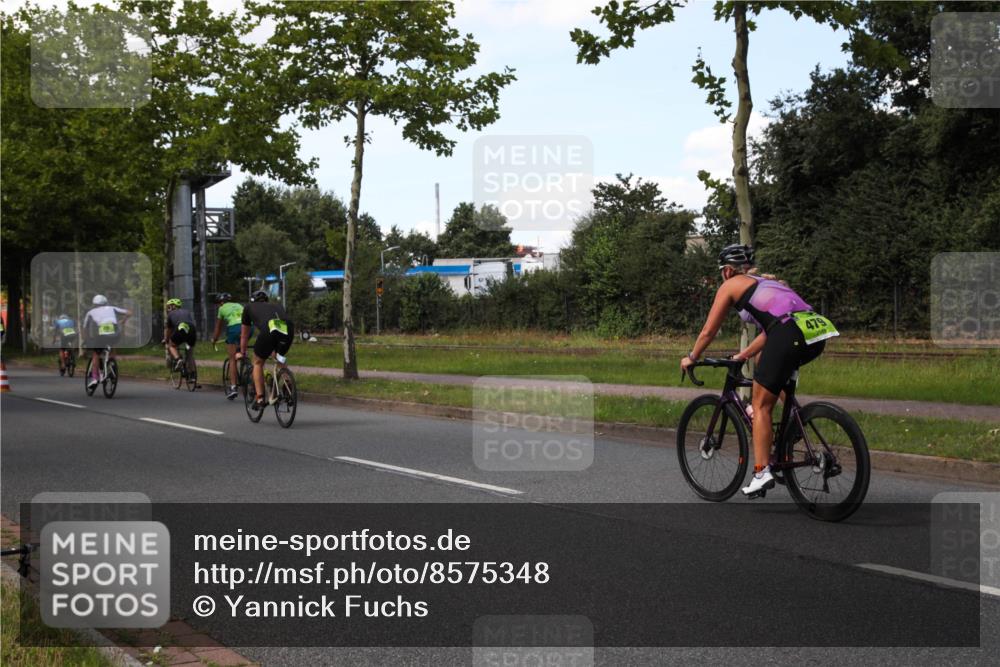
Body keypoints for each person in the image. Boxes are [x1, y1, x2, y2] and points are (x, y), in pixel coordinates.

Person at [680, 244, 839, 496]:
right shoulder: (766, 283)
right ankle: (793, 426)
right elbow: (773, 329)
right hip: (816, 332)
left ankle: (761, 472)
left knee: (761, 403)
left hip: (789, 335)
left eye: (723, 271)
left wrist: (692, 357)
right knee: (771, 372)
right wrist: (743, 355)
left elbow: (709, 331)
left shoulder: (731, 285)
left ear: (728, 271)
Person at [236, 290, 293, 410]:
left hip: (270, 327)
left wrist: (242, 351)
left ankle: (260, 398)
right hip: (288, 327)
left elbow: (244, 335)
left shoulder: (248, 307)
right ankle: (288, 384)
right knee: (279, 357)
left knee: (257, 362)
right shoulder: (276, 305)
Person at [83, 295, 130, 389]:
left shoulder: (90, 312)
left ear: (94, 304)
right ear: (105, 302)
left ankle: (95, 378)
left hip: (102, 335)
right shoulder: (112, 308)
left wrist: (86, 339)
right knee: (112, 345)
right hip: (115, 333)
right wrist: (123, 321)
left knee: (96, 354)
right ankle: (112, 365)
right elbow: (129, 312)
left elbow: (85, 328)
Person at [210, 293, 246, 400]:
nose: (218, 306)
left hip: (234, 328)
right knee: (241, 348)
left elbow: (218, 327)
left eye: (218, 304)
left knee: (232, 359)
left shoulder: (222, 309)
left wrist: (215, 339)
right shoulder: (239, 305)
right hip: (248, 328)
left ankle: (233, 387)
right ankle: (243, 357)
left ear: (221, 302)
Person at [164, 298, 199, 386]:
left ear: (172, 307)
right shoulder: (187, 312)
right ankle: (192, 376)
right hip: (191, 329)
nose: (168, 309)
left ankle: (178, 359)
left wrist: (166, 339)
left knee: (171, 346)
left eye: (168, 307)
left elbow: (169, 330)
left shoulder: (170, 314)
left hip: (180, 328)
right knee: (190, 353)